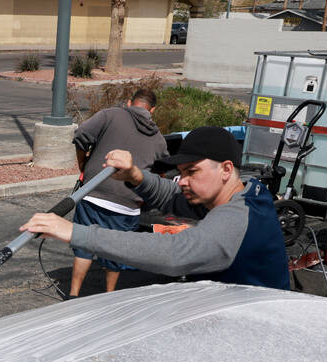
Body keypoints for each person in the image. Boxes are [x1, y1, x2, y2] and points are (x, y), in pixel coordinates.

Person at [22, 126, 290, 290]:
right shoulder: (246, 192)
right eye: (181, 171)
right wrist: (134, 175)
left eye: (192, 171)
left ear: (226, 169)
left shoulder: (237, 218)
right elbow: (173, 196)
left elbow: (175, 254)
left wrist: (76, 233)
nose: (182, 180)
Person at [67, 88, 168, 297]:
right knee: (115, 252)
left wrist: (83, 166)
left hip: (94, 193)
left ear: (130, 102)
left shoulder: (111, 114)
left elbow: (81, 135)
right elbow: (160, 175)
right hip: (128, 205)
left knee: (85, 244)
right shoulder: (159, 140)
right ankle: (109, 296)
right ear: (153, 110)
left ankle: (74, 295)